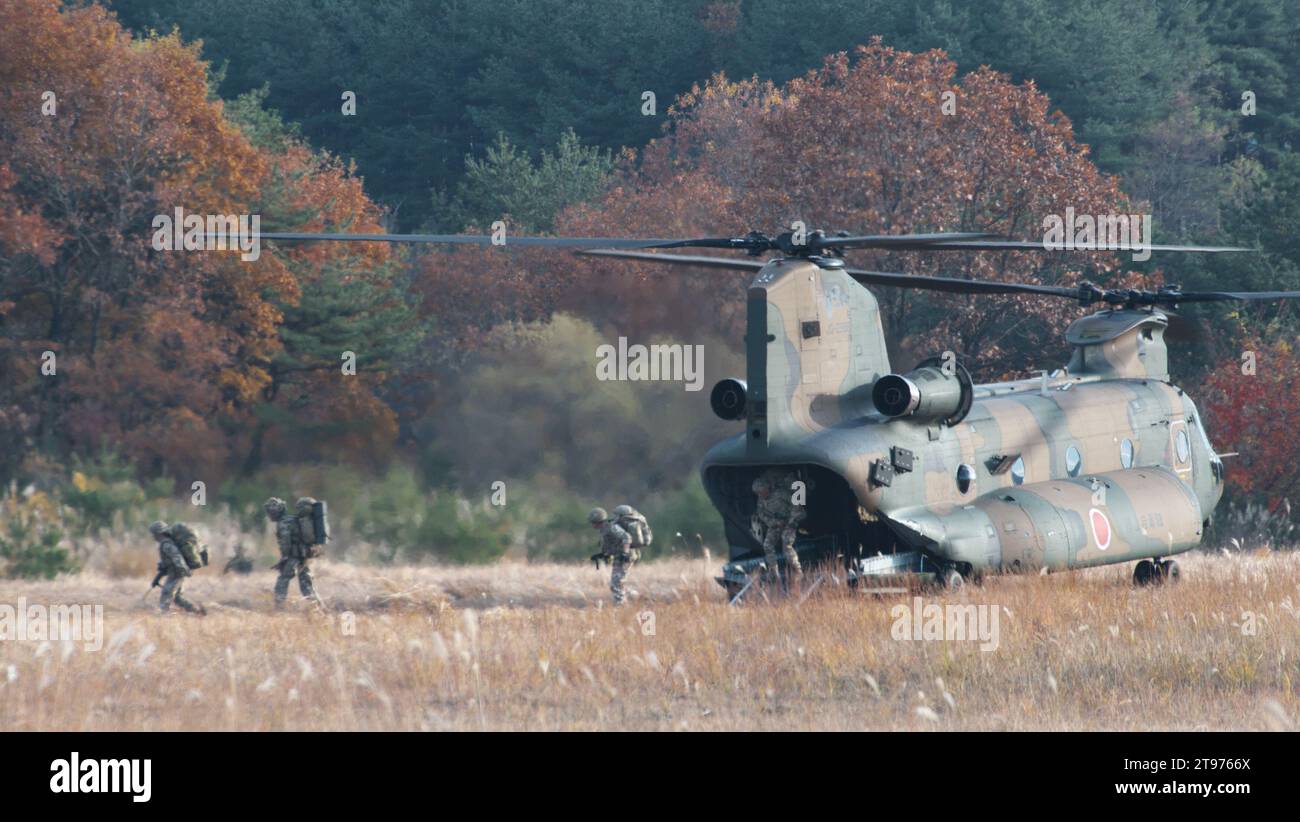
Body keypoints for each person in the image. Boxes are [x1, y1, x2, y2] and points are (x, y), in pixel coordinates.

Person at [264, 497, 321, 609]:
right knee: (306, 583)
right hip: (304, 556)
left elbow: (285, 542)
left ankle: (279, 606)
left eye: (271, 512)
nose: (270, 514)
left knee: (283, 579)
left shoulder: (283, 523)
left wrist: (285, 558)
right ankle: (317, 607)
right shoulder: (292, 518)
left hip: (294, 556)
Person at [752, 472, 804, 580]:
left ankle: (797, 571)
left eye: (761, 491)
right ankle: (774, 572)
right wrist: (773, 523)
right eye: (758, 493)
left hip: (790, 523)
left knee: (787, 545)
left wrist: (791, 522)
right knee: (767, 545)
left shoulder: (781, 494)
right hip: (776, 524)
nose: (760, 495)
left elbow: (797, 506)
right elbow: (761, 514)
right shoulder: (761, 500)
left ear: (767, 488)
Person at [151, 520, 205, 615]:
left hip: (177, 573)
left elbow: (177, 557)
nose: (153, 536)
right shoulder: (167, 543)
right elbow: (168, 563)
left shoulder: (166, 544)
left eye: (154, 534)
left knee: (167, 593)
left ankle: (163, 614)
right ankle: (196, 611)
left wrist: (184, 570)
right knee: (177, 597)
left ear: (158, 533)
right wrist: (157, 578)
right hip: (177, 572)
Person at [589, 507, 636, 605]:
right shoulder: (604, 529)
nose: (592, 524)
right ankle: (634, 596)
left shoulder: (612, 527)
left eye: (593, 522)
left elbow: (627, 537)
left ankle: (620, 607)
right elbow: (611, 545)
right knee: (616, 584)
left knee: (616, 584)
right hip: (619, 557)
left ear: (597, 521)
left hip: (624, 557)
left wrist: (625, 553)